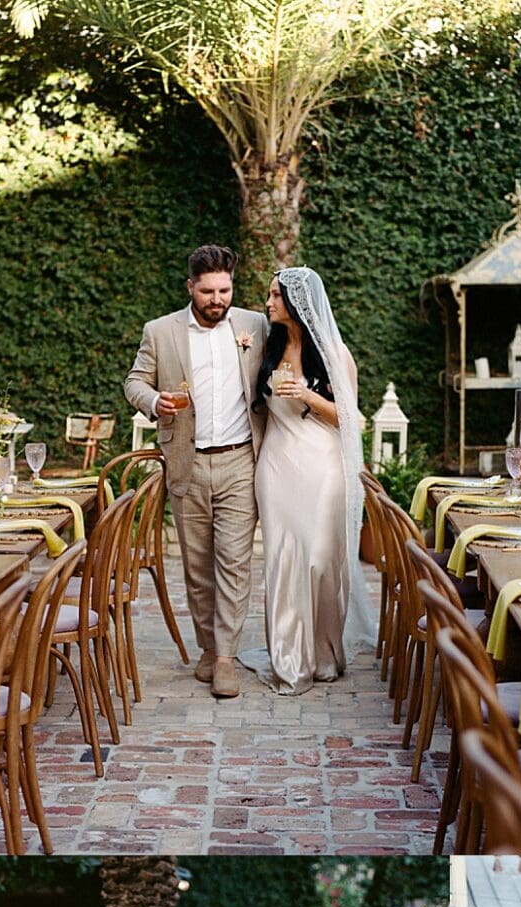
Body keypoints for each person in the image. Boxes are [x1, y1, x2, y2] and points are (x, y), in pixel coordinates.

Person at [126, 245, 268, 700]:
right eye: (207, 291)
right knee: (197, 566)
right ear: (191, 287)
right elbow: (135, 381)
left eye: (224, 290)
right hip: (186, 461)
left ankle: (225, 656)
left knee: (234, 562)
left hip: (240, 460)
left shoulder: (254, 326)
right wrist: (154, 401)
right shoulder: (160, 331)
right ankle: (208, 645)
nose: (217, 299)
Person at [252, 268, 377, 693]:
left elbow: (351, 419)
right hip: (276, 467)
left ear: (297, 302)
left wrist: (307, 396)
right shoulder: (266, 349)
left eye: (275, 296)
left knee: (321, 559)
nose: (268, 303)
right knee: (282, 559)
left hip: (323, 466)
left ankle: (325, 653)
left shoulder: (334, 353)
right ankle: (289, 659)